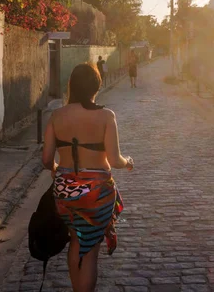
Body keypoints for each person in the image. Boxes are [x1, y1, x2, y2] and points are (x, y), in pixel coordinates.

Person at [42, 63, 134, 292]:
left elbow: (46, 160)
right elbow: (114, 160)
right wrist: (128, 162)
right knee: (90, 249)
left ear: (71, 85)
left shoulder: (56, 116)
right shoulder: (106, 116)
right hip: (96, 192)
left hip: (64, 190)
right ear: (97, 85)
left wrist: (56, 169)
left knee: (76, 240)